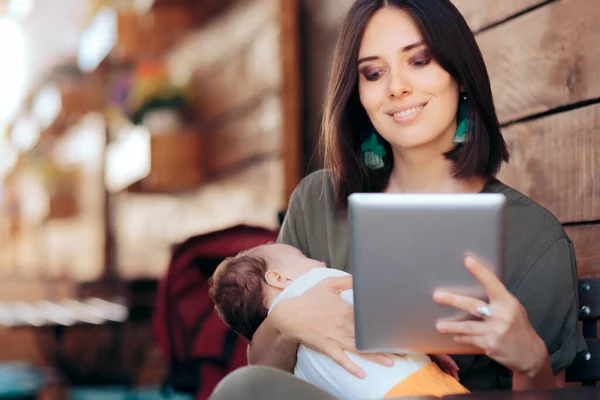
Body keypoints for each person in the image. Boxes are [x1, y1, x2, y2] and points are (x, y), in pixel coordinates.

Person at [247, 0, 587, 393]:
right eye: (373, 73)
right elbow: (260, 379)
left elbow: (545, 393)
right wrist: (287, 320)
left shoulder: (534, 239)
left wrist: (531, 360)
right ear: (357, 94)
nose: (397, 87)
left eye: (419, 61)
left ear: (459, 74)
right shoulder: (316, 202)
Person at [209, 243, 469, 399]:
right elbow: (379, 303)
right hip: (414, 384)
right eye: (303, 257)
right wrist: (425, 340)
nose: (319, 261)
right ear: (278, 278)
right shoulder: (318, 283)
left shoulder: (296, 367)